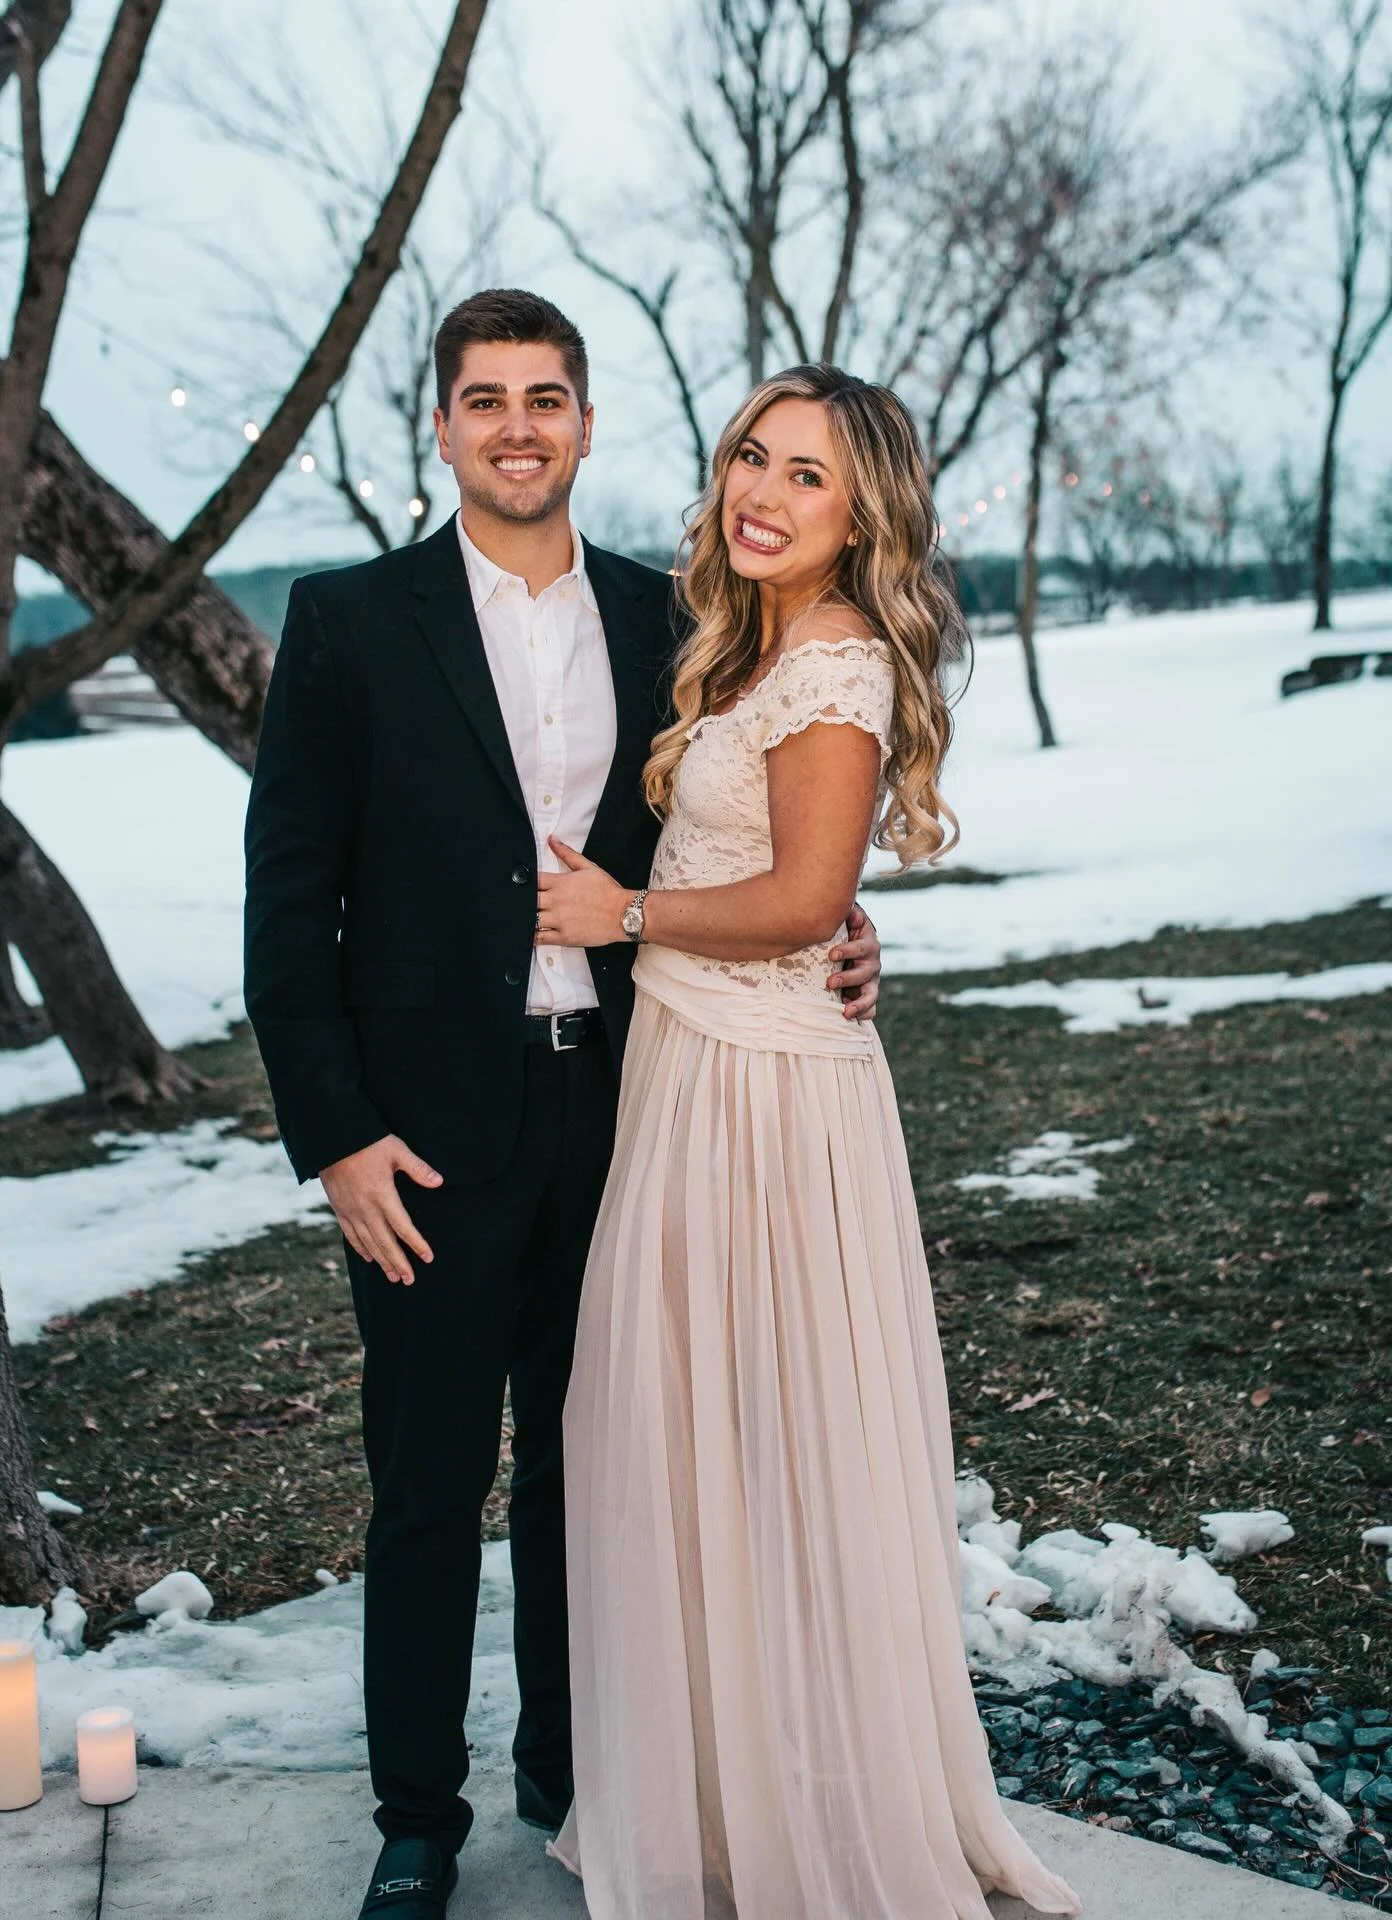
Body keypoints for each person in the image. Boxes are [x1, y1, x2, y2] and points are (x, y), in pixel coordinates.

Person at [242, 291, 885, 1920]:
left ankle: (575, 1759)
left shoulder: (680, 612)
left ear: (587, 425)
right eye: (485, 399)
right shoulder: (348, 621)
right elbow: (286, 895)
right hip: (425, 1129)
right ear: (443, 428)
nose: (518, 424)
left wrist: (847, 922)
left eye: (547, 397)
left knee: (600, 1457)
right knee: (428, 1473)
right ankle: (416, 1809)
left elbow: (758, 830)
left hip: (632, 1098)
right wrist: (332, 1133)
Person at [534, 364, 1082, 1919]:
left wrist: (621, 913)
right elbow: (804, 882)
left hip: (763, 1103)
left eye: (810, 480)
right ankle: (720, 1781)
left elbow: (798, 893)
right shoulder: (740, 643)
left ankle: (809, 1803)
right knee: (684, 1427)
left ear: (865, 521)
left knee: (763, 1433)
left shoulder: (835, 659)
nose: (763, 496)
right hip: (695, 1072)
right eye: (751, 460)